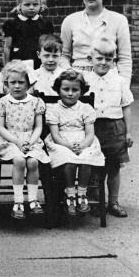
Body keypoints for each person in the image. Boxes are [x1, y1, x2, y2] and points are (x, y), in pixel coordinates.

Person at [0, 61, 50, 219]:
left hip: (30, 139)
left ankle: (32, 199)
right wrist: (17, 142)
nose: (17, 86)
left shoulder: (36, 102)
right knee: (19, 160)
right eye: (13, 82)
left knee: (32, 162)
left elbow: (38, 126)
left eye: (21, 82)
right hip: (9, 140)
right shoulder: (2, 103)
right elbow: (0, 127)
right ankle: (18, 201)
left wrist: (30, 142)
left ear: (28, 83)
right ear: (6, 83)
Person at [44, 69, 105, 216]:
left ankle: (82, 194)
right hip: (61, 143)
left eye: (75, 90)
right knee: (68, 160)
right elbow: (55, 135)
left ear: (81, 91)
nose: (70, 93)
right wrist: (69, 146)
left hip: (84, 141)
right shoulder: (53, 109)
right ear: (58, 90)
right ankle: (70, 194)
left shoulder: (86, 108)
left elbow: (90, 133)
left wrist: (83, 145)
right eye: (65, 89)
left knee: (86, 158)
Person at [84, 38, 134, 217]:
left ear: (113, 60)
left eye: (108, 58)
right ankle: (95, 201)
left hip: (114, 128)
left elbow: (126, 105)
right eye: (99, 58)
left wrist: (128, 131)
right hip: (92, 128)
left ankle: (113, 202)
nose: (104, 62)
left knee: (113, 167)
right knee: (92, 168)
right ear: (90, 59)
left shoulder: (120, 81)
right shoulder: (85, 80)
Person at [60, 0, 132, 84]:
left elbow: (124, 58)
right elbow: (64, 56)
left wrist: (124, 86)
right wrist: (70, 74)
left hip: (109, 77)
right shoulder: (70, 21)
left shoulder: (119, 20)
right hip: (78, 80)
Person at [3, 0, 54, 69]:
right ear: (20, 5)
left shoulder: (45, 24)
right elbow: (7, 47)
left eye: (35, 4)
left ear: (41, 5)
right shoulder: (12, 24)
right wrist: (6, 66)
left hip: (39, 64)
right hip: (18, 63)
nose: (31, 7)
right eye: (27, 4)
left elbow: (49, 46)